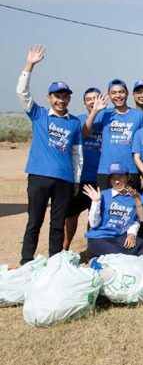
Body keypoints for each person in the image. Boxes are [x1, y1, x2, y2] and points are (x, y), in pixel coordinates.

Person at [16, 44, 83, 265]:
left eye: (65, 96)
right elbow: (21, 93)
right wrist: (29, 65)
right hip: (39, 176)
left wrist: (75, 180)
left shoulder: (73, 122)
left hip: (64, 179)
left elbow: (77, 154)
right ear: (49, 97)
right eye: (57, 96)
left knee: (58, 223)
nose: (61, 100)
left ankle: (55, 262)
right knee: (35, 220)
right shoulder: (39, 115)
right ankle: (27, 260)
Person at [83, 78, 143, 190]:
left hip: (131, 170)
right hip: (105, 170)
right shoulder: (104, 114)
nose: (118, 96)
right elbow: (84, 133)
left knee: (130, 205)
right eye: (113, 93)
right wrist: (94, 111)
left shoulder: (139, 116)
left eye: (121, 92)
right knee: (104, 205)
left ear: (127, 93)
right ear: (109, 95)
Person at [64, 87, 101, 250]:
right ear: (84, 103)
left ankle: (91, 249)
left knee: (94, 215)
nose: (93, 101)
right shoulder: (76, 121)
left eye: (96, 98)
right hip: (80, 176)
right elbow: (84, 134)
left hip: (101, 175)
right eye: (89, 99)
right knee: (71, 215)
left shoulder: (109, 119)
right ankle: (64, 249)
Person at [82, 163, 143, 257]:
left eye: (120, 177)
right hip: (100, 237)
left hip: (119, 237)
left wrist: (132, 234)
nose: (116, 182)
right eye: (113, 178)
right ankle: (94, 259)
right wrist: (96, 202)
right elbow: (93, 224)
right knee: (119, 255)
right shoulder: (102, 195)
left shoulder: (136, 196)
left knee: (141, 245)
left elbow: (136, 220)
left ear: (128, 177)